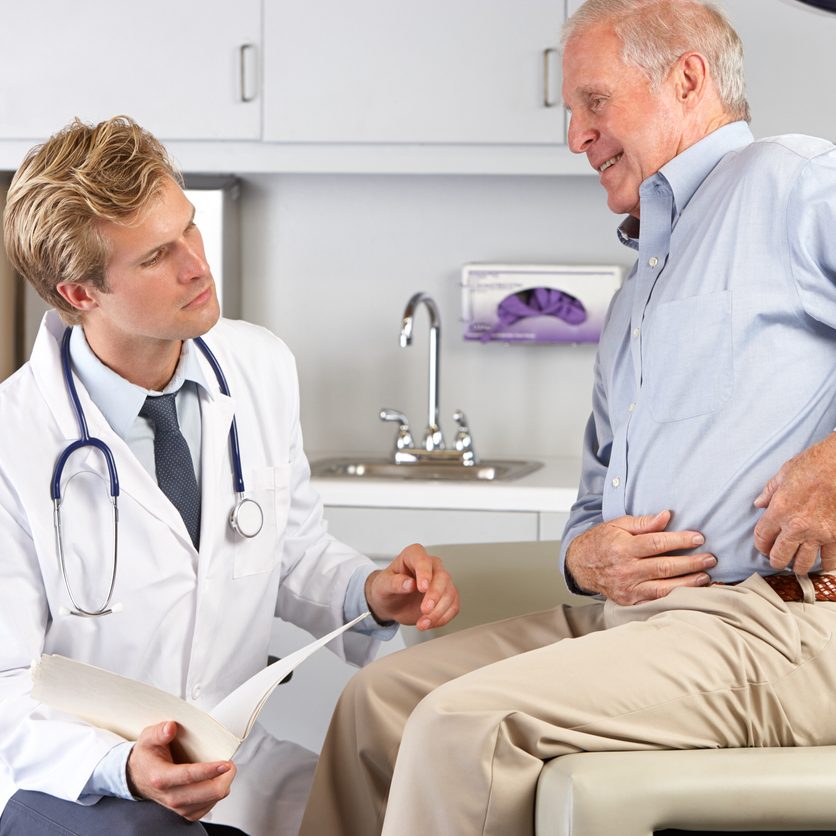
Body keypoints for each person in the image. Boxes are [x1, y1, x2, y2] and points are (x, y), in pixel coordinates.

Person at [297, 1, 836, 834]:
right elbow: (591, 501)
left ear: (687, 79)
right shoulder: (639, 291)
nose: (576, 135)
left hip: (780, 621)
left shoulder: (793, 182)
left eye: (594, 100)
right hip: (638, 622)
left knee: (462, 724)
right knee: (376, 705)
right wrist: (584, 557)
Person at [0, 116, 459, 836]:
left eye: (189, 227)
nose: (196, 266)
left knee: (408, 814)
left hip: (232, 765)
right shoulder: (14, 441)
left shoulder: (258, 366)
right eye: (157, 256)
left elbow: (291, 552)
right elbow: (6, 689)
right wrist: (123, 768)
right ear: (82, 294)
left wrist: (370, 593)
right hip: (71, 781)